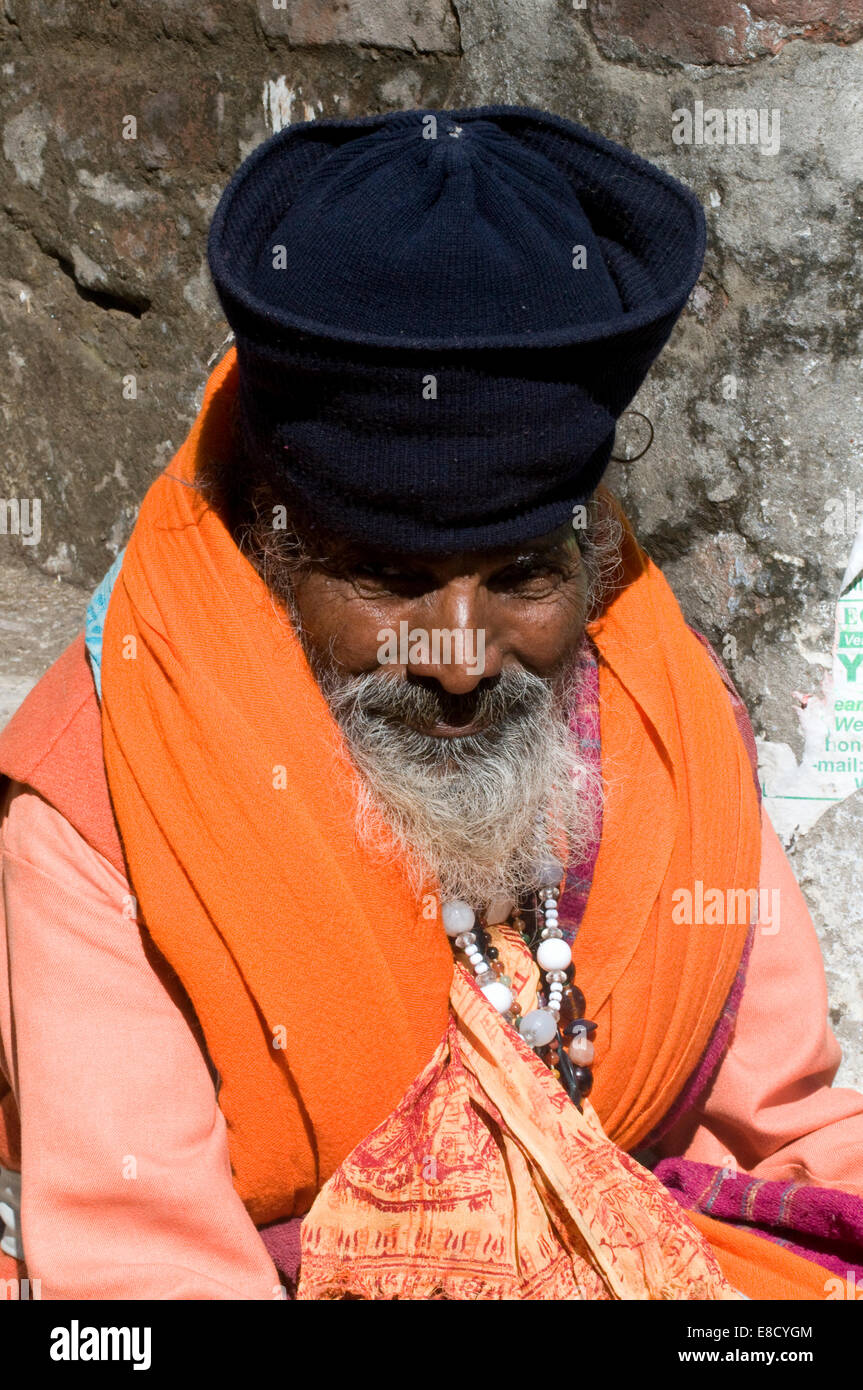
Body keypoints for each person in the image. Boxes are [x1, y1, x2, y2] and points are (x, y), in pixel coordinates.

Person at [1, 104, 862, 1301]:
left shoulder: (661, 715)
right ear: (275, 547)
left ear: (586, 562)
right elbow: (143, 1276)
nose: (459, 659)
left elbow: (793, 1131)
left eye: (520, 579)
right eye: (390, 581)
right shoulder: (106, 800)